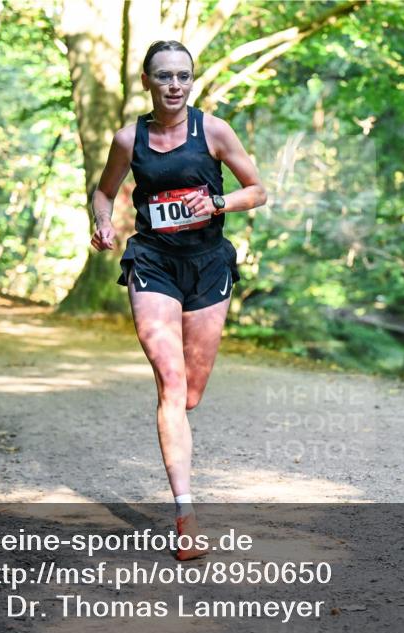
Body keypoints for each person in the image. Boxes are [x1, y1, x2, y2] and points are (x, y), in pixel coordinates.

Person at [90, 40, 266, 560]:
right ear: (146, 81)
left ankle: (179, 426)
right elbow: (104, 191)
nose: (174, 85)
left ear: (192, 81)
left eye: (183, 76)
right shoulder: (129, 138)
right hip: (152, 262)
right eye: (163, 76)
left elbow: (257, 190)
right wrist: (104, 223)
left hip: (209, 264)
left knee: (189, 394)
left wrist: (216, 201)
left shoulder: (212, 130)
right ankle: (185, 515)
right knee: (170, 384)